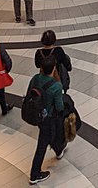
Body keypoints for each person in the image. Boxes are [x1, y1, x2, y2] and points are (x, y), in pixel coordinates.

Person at [27, 55, 67, 184]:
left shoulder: (35, 78)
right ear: (54, 68)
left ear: (41, 68)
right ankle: (34, 174)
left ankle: (59, 150)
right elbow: (59, 107)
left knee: (49, 136)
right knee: (42, 145)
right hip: (48, 118)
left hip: (37, 114)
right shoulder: (56, 86)